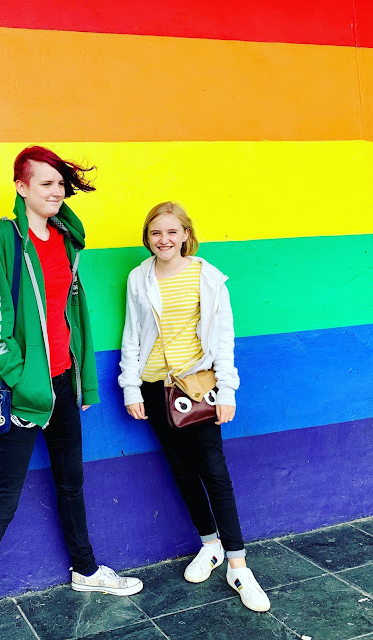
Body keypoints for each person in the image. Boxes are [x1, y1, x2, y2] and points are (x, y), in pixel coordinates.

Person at [0, 146, 143, 640]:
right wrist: (20, 384)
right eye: (46, 184)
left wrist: (78, 382)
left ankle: (85, 570)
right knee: (3, 500)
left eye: (61, 184)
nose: (56, 192)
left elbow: (72, 316)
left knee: (72, 482)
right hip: (22, 392)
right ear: (20, 188)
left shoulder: (64, 238)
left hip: (63, 382)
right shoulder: (3, 239)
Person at [118, 201, 270, 613]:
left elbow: (223, 339)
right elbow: (132, 334)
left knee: (214, 472)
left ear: (186, 234)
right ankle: (210, 545)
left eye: (171, 232)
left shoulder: (207, 277)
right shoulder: (138, 278)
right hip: (154, 388)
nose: (163, 240)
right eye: (155, 233)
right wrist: (131, 387)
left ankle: (238, 565)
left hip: (198, 388)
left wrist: (228, 391)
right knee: (181, 469)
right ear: (147, 238)